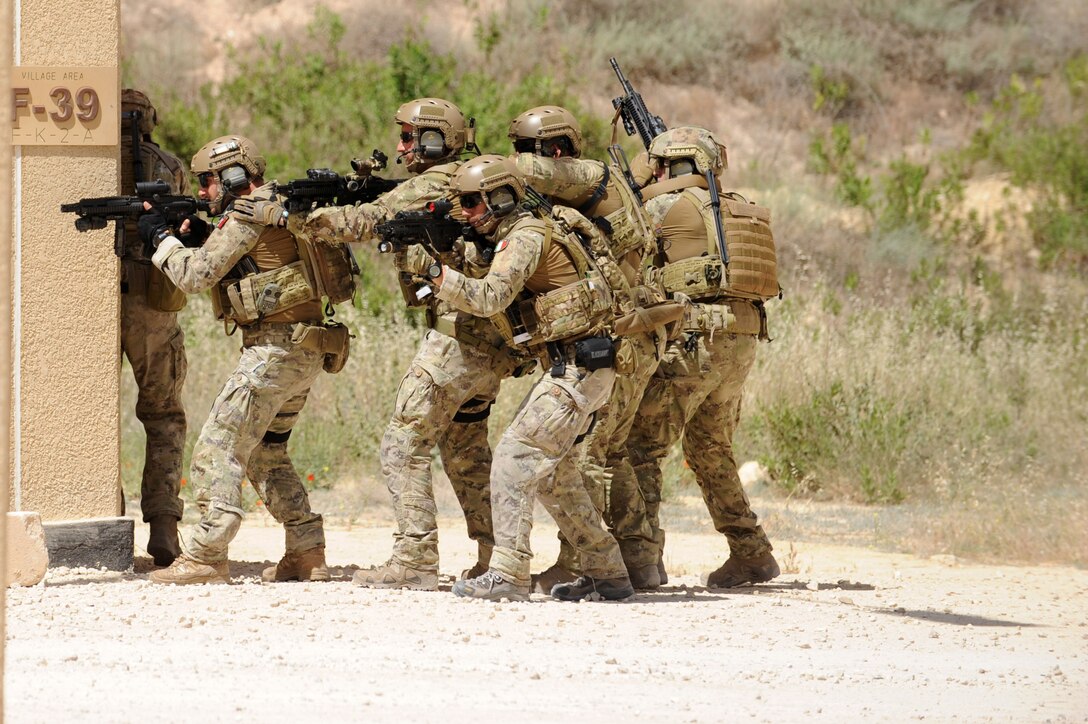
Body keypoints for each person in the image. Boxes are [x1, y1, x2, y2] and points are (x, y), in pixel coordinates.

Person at [292, 99, 517, 589]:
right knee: (465, 448)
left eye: (411, 137)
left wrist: (297, 217)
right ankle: (497, 557)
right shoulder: (465, 180)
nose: (401, 146)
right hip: (490, 339)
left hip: (459, 337)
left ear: (437, 140)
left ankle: (414, 558)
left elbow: (362, 222)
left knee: (403, 441)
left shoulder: (434, 184)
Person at [144, 135, 348, 585]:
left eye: (208, 182)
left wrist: (160, 241)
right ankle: (306, 548)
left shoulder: (246, 214)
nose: (202, 193)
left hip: (274, 351)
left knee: (217, 448)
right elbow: (255, 261)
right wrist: (200, 235)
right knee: (265, 452)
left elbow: (195, 275)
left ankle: (207, 554)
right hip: (307, 348)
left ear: (233, 176)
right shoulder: (278, 205)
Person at [431, 154, 634, 602]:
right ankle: (608, 570)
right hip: (581, 368)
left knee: (514, 458)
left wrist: (434, 274)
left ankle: (507, 573)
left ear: (499, 198)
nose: (463, 212)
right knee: (553, 475)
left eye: (470, 202)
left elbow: (488, 298)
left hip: (578, 368)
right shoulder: (529, 229)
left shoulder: (523, 236)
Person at [507, 105, 664, 590]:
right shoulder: (597, 188)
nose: (520, 160)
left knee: (586, 456)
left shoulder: (594, 176)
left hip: (620, 335)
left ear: (556, 151)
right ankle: (639, 562)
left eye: (526, 150)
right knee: (611, 452)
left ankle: (581, 565)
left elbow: (524, 171)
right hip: (633, 332)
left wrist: (469, 171)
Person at [623, 126, 781, 588]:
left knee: (642, 446)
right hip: (743, 338)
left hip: (695, 340)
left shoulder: (662, 207)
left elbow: (622, 241)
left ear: (665, 164)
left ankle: (643, 560)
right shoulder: (736, 208)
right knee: (710, 448)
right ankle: (750, 552)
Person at [118, 89, 189, 566]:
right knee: (163, 416)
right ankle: (163, 524)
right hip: (153, 304)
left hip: (97, 301)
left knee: (88, 416)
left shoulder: (88, 162)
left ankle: (102, 510)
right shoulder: (170, 164)